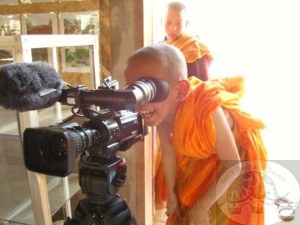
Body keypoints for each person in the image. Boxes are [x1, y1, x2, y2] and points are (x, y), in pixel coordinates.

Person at [124, 44, 268, 225]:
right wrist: (172, 196)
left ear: (181, 90)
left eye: (153, 91)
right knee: (185, 207)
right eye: (136, 92)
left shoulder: (206, 109)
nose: (142, 104)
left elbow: (233, 166)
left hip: (235, 159)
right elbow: (169, 152)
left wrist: (202, 207)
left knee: (219, 216)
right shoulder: (162, 111)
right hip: (201, 156)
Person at [161, 1, 213, 81]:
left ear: (186, 24)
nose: (173, 28)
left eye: (178, 24)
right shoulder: (159, 46)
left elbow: (202, 83)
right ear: (161, 22)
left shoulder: (194, 48)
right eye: (168, 22)